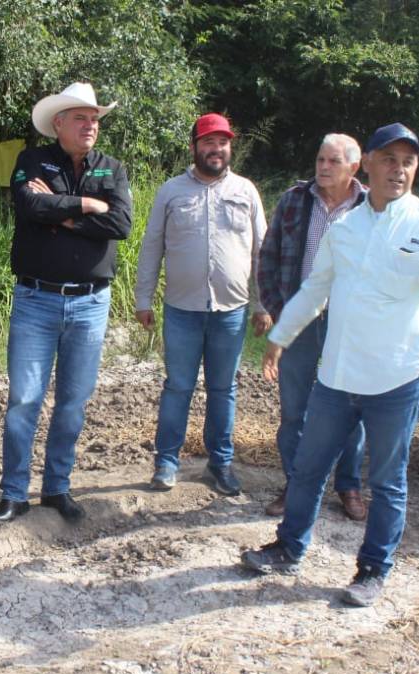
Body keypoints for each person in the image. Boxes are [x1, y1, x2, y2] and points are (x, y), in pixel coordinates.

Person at [241, 123, 419, 606]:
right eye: (389, 159)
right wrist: (280, 337)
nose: (398, 169)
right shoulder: (346, 227)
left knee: (386, 481)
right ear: (369, 166)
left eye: (408, 161)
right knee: (307, 468)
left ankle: (372, 571)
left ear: (415, 169)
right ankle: (287, 547)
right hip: (337, 377)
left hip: (396, 379)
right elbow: (316, 290)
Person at [0, 82, 132, 527]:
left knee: (73, 403)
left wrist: (63, 212)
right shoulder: (31, 161)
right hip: (36, 300)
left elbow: (121, 223)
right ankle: (14, 493)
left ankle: (57, 488)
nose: (90, 125)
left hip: (90, 304)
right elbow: (29, 204)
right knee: (24, 400)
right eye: (81, 118)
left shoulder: (113, 168)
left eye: (94, 119)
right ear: (58, 124)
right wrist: (87, 205)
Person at [134, 113, 270, 497]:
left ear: (230, 147)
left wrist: (263, 304)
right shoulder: (171, 191)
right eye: (208, 142)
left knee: (223, 389)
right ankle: (166, 462)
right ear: (194, 146)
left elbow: (263, 252)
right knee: (178, 387)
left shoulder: (246, 191)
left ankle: (220, 463)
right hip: (181, 311)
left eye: (223, 142)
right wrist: (143, 299)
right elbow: (151, 247)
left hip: (231, 312)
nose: (216, 149)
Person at [257, 134, 368, 520]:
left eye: (333, 161)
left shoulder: (371, 207)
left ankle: (348, 486)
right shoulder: (294, 200)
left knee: (353, 408)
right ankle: (296, 485)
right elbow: (268, 256)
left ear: (353, 168)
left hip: (351, 325)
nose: (323, 167)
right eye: (320, 159)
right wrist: (278, 308)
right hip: (300, 320)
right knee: (294, 410)